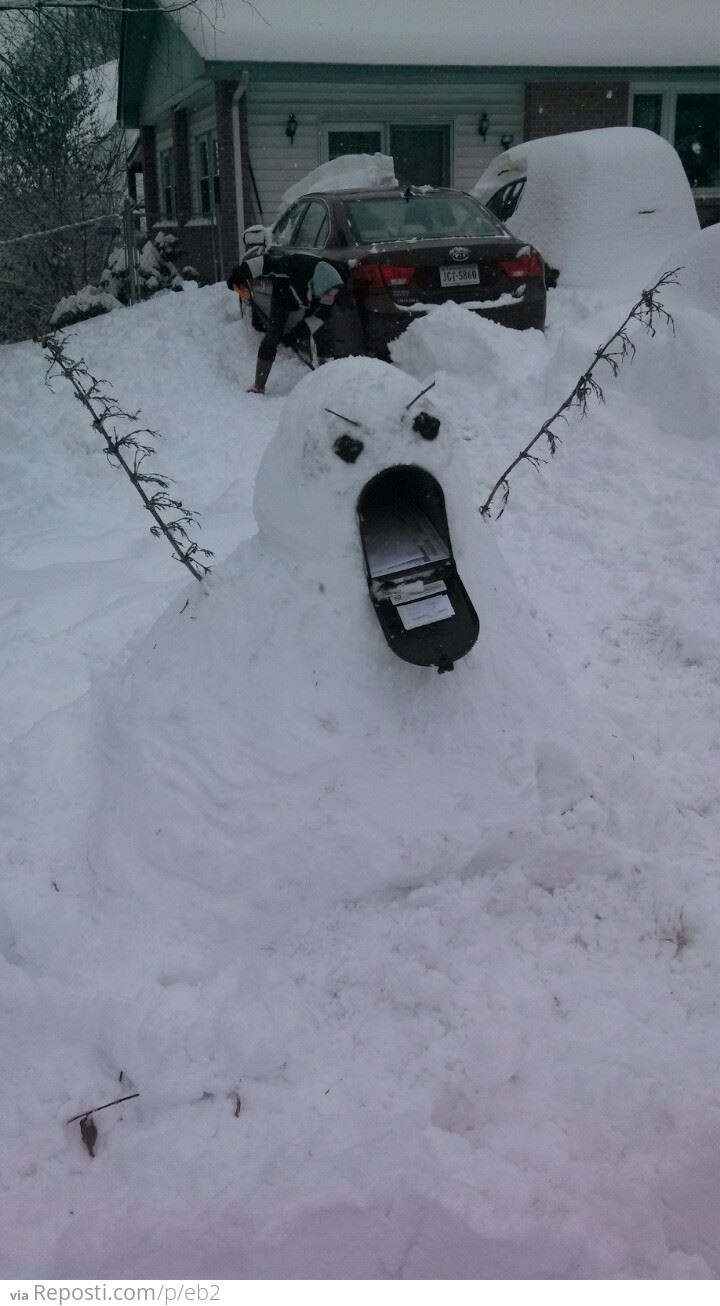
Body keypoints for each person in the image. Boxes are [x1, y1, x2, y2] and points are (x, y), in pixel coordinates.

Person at [227, 255, 344, 394]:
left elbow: (321, 316)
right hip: (283, 294)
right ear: (321, 283)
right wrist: (238, 274)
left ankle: (327, 380)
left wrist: (296, 335)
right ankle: (259, 385)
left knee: (324, 331)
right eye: (329, 293)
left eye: (333, 293)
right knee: (274, 333)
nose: (330, 296)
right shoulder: (296, 266)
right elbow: (266, 262)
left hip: (309, 297)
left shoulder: (329, 285)